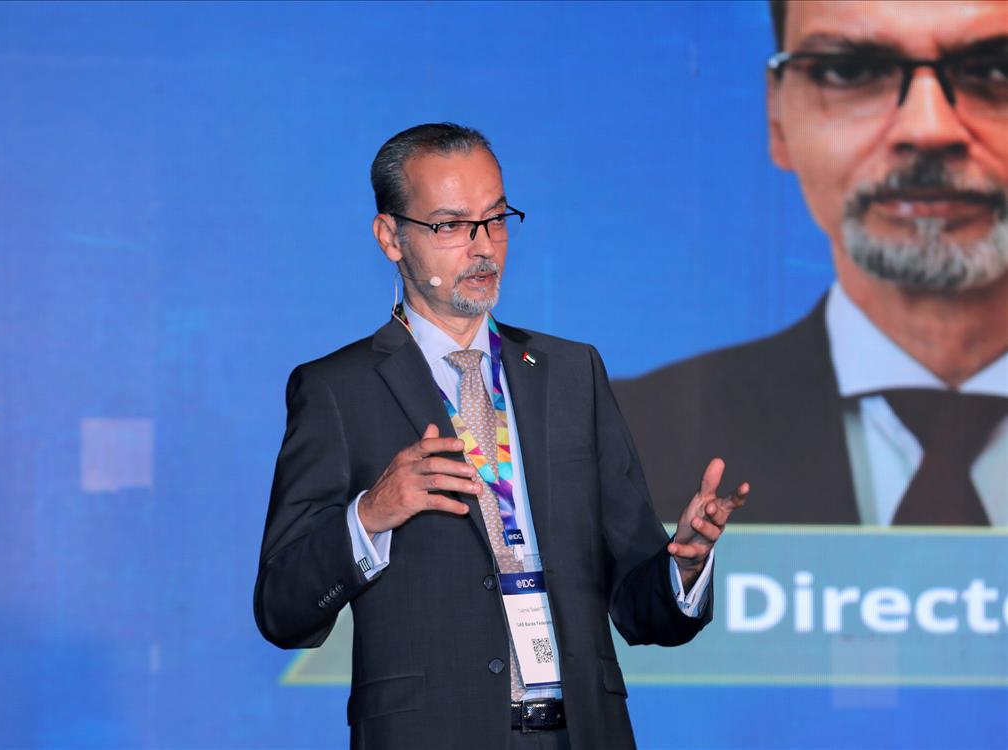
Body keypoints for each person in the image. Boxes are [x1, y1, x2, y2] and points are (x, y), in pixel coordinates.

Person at [253, 123, 746, 750]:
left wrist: (684, 565)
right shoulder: (338, 390)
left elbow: (638, 605)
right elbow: (282, 610)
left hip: (579, 733)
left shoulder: (571, 373)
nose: (483, 246)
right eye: (451, 225)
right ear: (390, 237)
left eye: (495, 219)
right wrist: (370, 515)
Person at [615, 0, 1008, 526]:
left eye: (997, 68)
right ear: (779, 116)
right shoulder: (627, 439)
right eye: (850, 70)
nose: (928, 128)